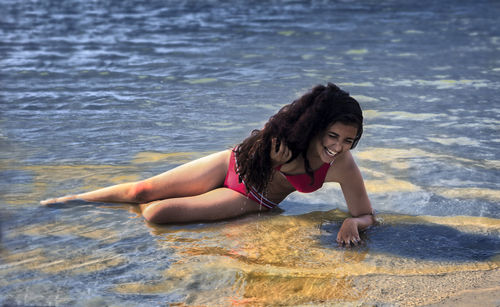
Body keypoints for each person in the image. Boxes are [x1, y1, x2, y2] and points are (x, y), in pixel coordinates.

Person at [41, 83, 375, 246]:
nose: (338, 146)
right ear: (317, 125)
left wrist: (352, 224)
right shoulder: (286, 134)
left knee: (155, 213)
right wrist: (272, 158)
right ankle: (64, 203)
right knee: (141, 189)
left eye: (348, 140)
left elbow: (366, 213)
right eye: (333, 135)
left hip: (252, 198)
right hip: (229, 164)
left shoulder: (341, 165)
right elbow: (250, 148)